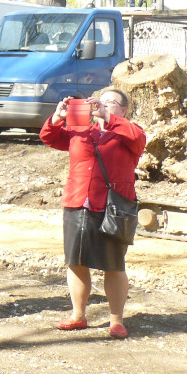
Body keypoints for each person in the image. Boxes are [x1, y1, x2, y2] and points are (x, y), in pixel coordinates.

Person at [40, 90, 146, 339]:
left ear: (123, 111)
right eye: (100, 100)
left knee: (114, 264)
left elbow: (137, 136)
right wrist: (58, 116)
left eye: (111, 102)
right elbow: (49, 137)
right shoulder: (81, 132)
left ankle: (116, 320)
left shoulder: (129, 133)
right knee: (76, 261)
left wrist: (107, 116)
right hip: (78, 202)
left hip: (113, 208)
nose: (103, 104)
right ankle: (78, 315)